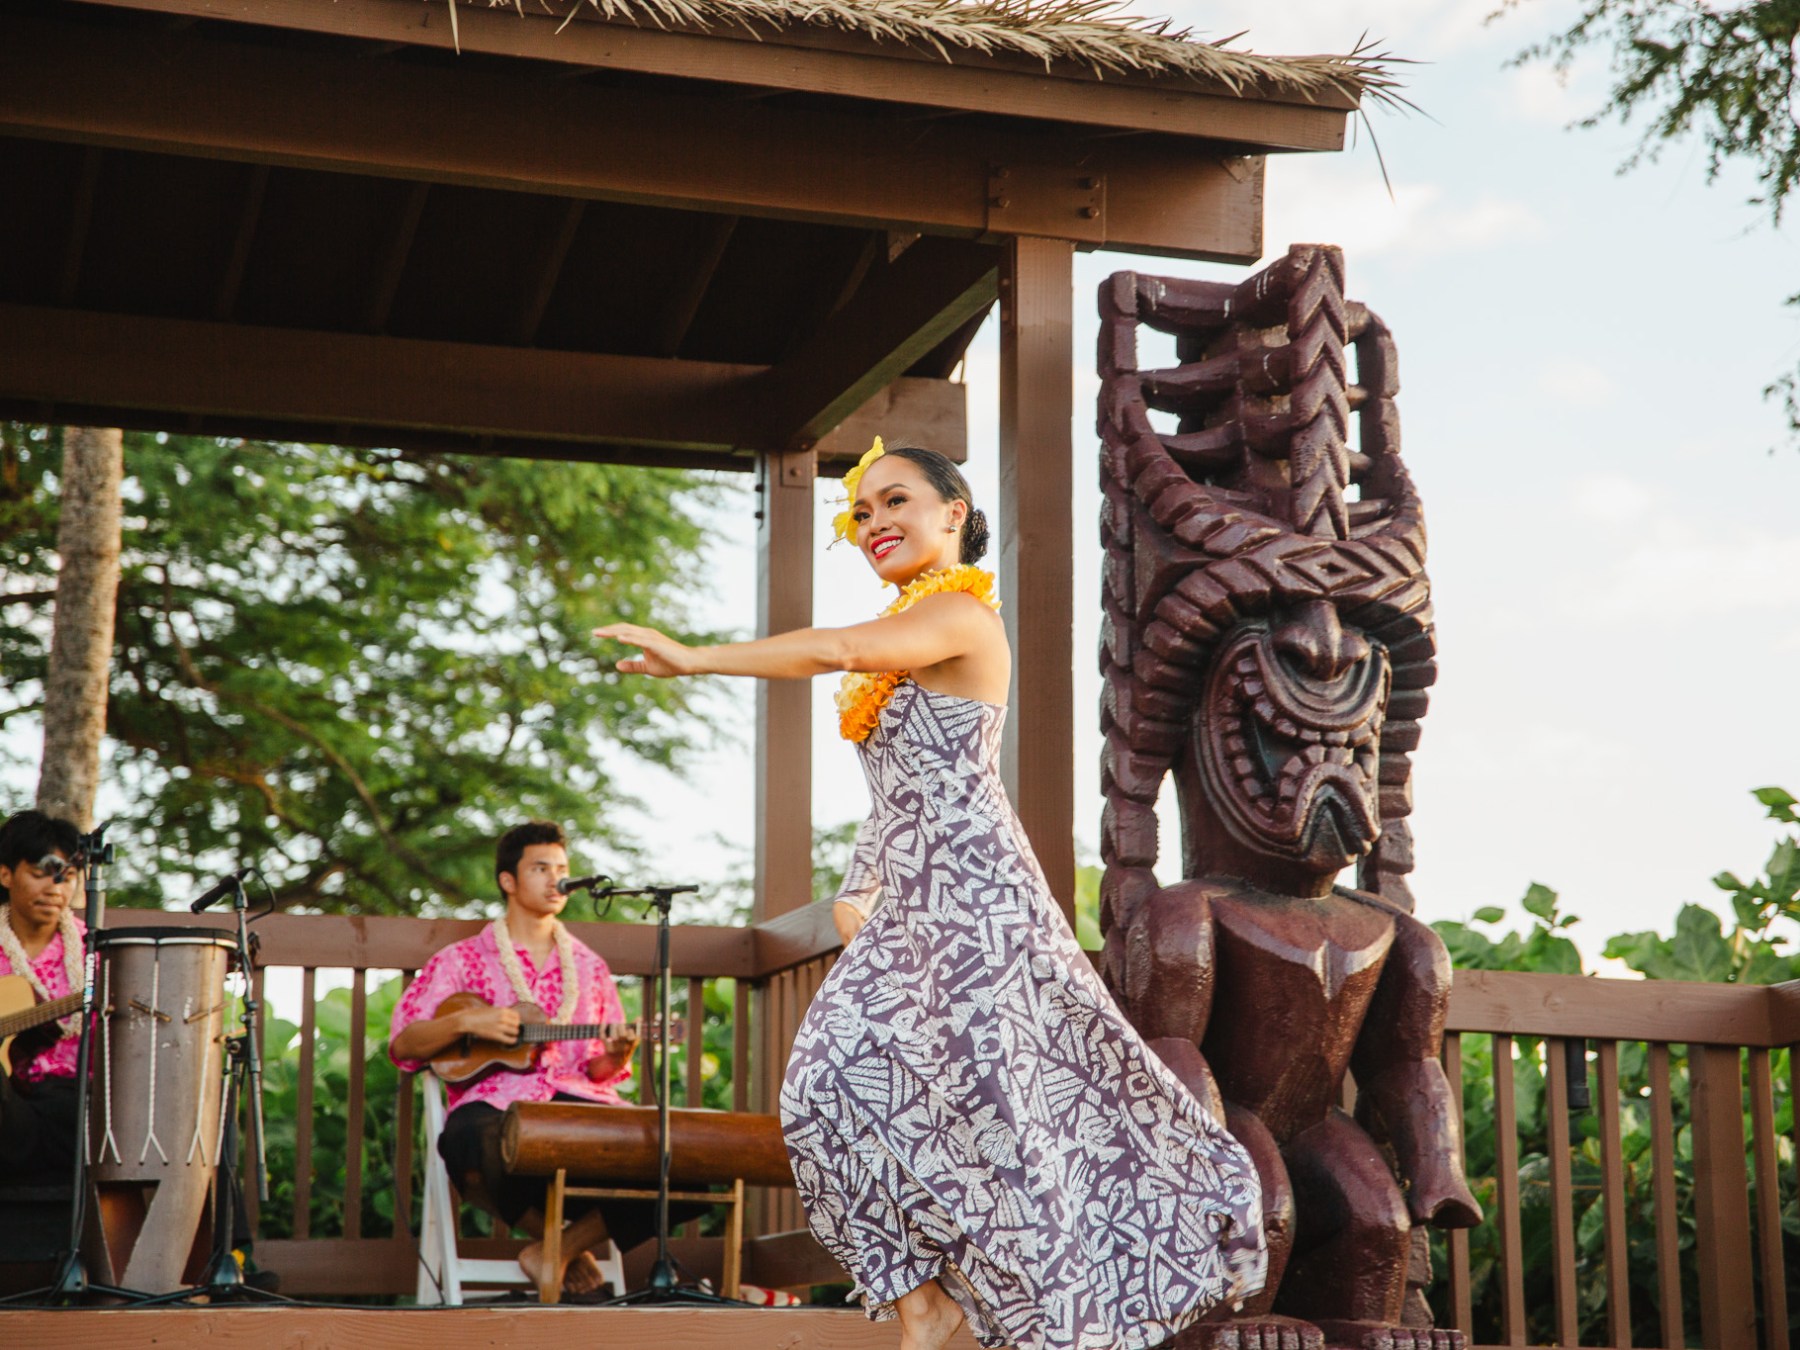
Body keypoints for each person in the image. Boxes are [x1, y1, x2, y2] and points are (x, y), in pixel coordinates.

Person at [595, 440, 1268, 1350]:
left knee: (1008, 1106)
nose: (874, 522)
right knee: (829, 1090)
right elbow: (900, 786)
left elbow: (838, 647)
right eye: (863, 512)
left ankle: (1034, 1302)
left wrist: (693, 657)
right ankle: (927, 1299)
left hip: (976, 891)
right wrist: (861, 880)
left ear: (953, 513)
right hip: (913, 897)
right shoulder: (910, 638)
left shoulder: (959, 613)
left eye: (896, 501)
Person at [389, 820, 645, 1297]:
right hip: (496, 1106)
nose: (556, 880)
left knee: (670, 1155)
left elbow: (599, 1072)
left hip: (575, 1104)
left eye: (563, 869)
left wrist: (615, 1055)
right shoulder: (461, 960)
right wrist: (468, 1023)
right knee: (472, 1142)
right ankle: (560, 1247)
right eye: (541, 868)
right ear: (508, 880)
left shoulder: (589, 966)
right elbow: (405, 1043)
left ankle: (553, 1250)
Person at [0, 809, 86, 1183]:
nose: (54, 889)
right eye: (39, 874)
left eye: (65, 877)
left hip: (73, 1105)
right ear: (5, 874)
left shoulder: (96, 951)